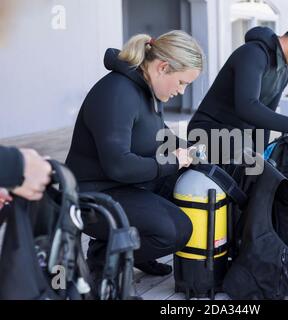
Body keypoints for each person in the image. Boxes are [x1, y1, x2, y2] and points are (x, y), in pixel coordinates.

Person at [65, 30, 204, 282]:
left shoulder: (148, 89)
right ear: (162, 67)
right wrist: (172, 162)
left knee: (192, 181)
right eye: (182, 82)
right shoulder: (117, 93)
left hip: (125, 186)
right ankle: (102, 254)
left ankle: (138, 252)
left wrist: (196, 152)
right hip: (94, 196)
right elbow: (118, 166)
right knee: (176, 230)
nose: (182, 91)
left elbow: (160, 135)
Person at [187, 16, 288, 166]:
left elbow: (264, 124)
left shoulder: (284, 74)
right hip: (206, 131)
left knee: (267, 166)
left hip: (237, 140)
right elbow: (247, 107)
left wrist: (261, 158)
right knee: (244, 148)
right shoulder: (253, 53)